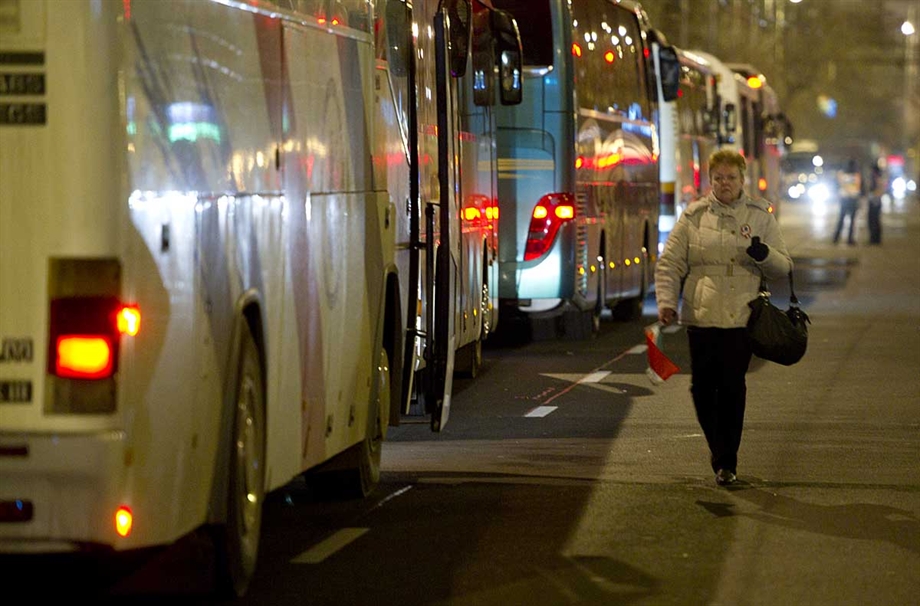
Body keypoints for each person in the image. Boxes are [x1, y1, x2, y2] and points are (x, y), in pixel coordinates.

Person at [655, 149, 793, 486]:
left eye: (731, 178)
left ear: (742, 179)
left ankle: (726, 460)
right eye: (718, 178)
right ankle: (719, 449)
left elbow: (784, 267)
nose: (725, 184)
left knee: (732, 386)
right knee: (702, 388)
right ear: (709, 180)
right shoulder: (694, 217)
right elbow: (670, 263)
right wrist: (666, 301)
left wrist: (764, 254)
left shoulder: (760, 216)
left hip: (740, 316)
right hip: (701, 317)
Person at [833, 158, 862, 245]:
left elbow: (839, 183)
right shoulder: (856, 175)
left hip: (845, 199)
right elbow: (858, 187)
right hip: (852, 198)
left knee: (841, 219)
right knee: (852, 220)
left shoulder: (842, 175)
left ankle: (836, 238)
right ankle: (849, 239)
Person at [866, 163, 885, 245]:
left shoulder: (877, 178)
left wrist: (873, 196)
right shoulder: (878, 178)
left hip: (875, 201)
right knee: (874, 220)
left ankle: (875, 239)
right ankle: (875, 239)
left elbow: (878, 190)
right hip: (876, 200)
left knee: (873, 220)